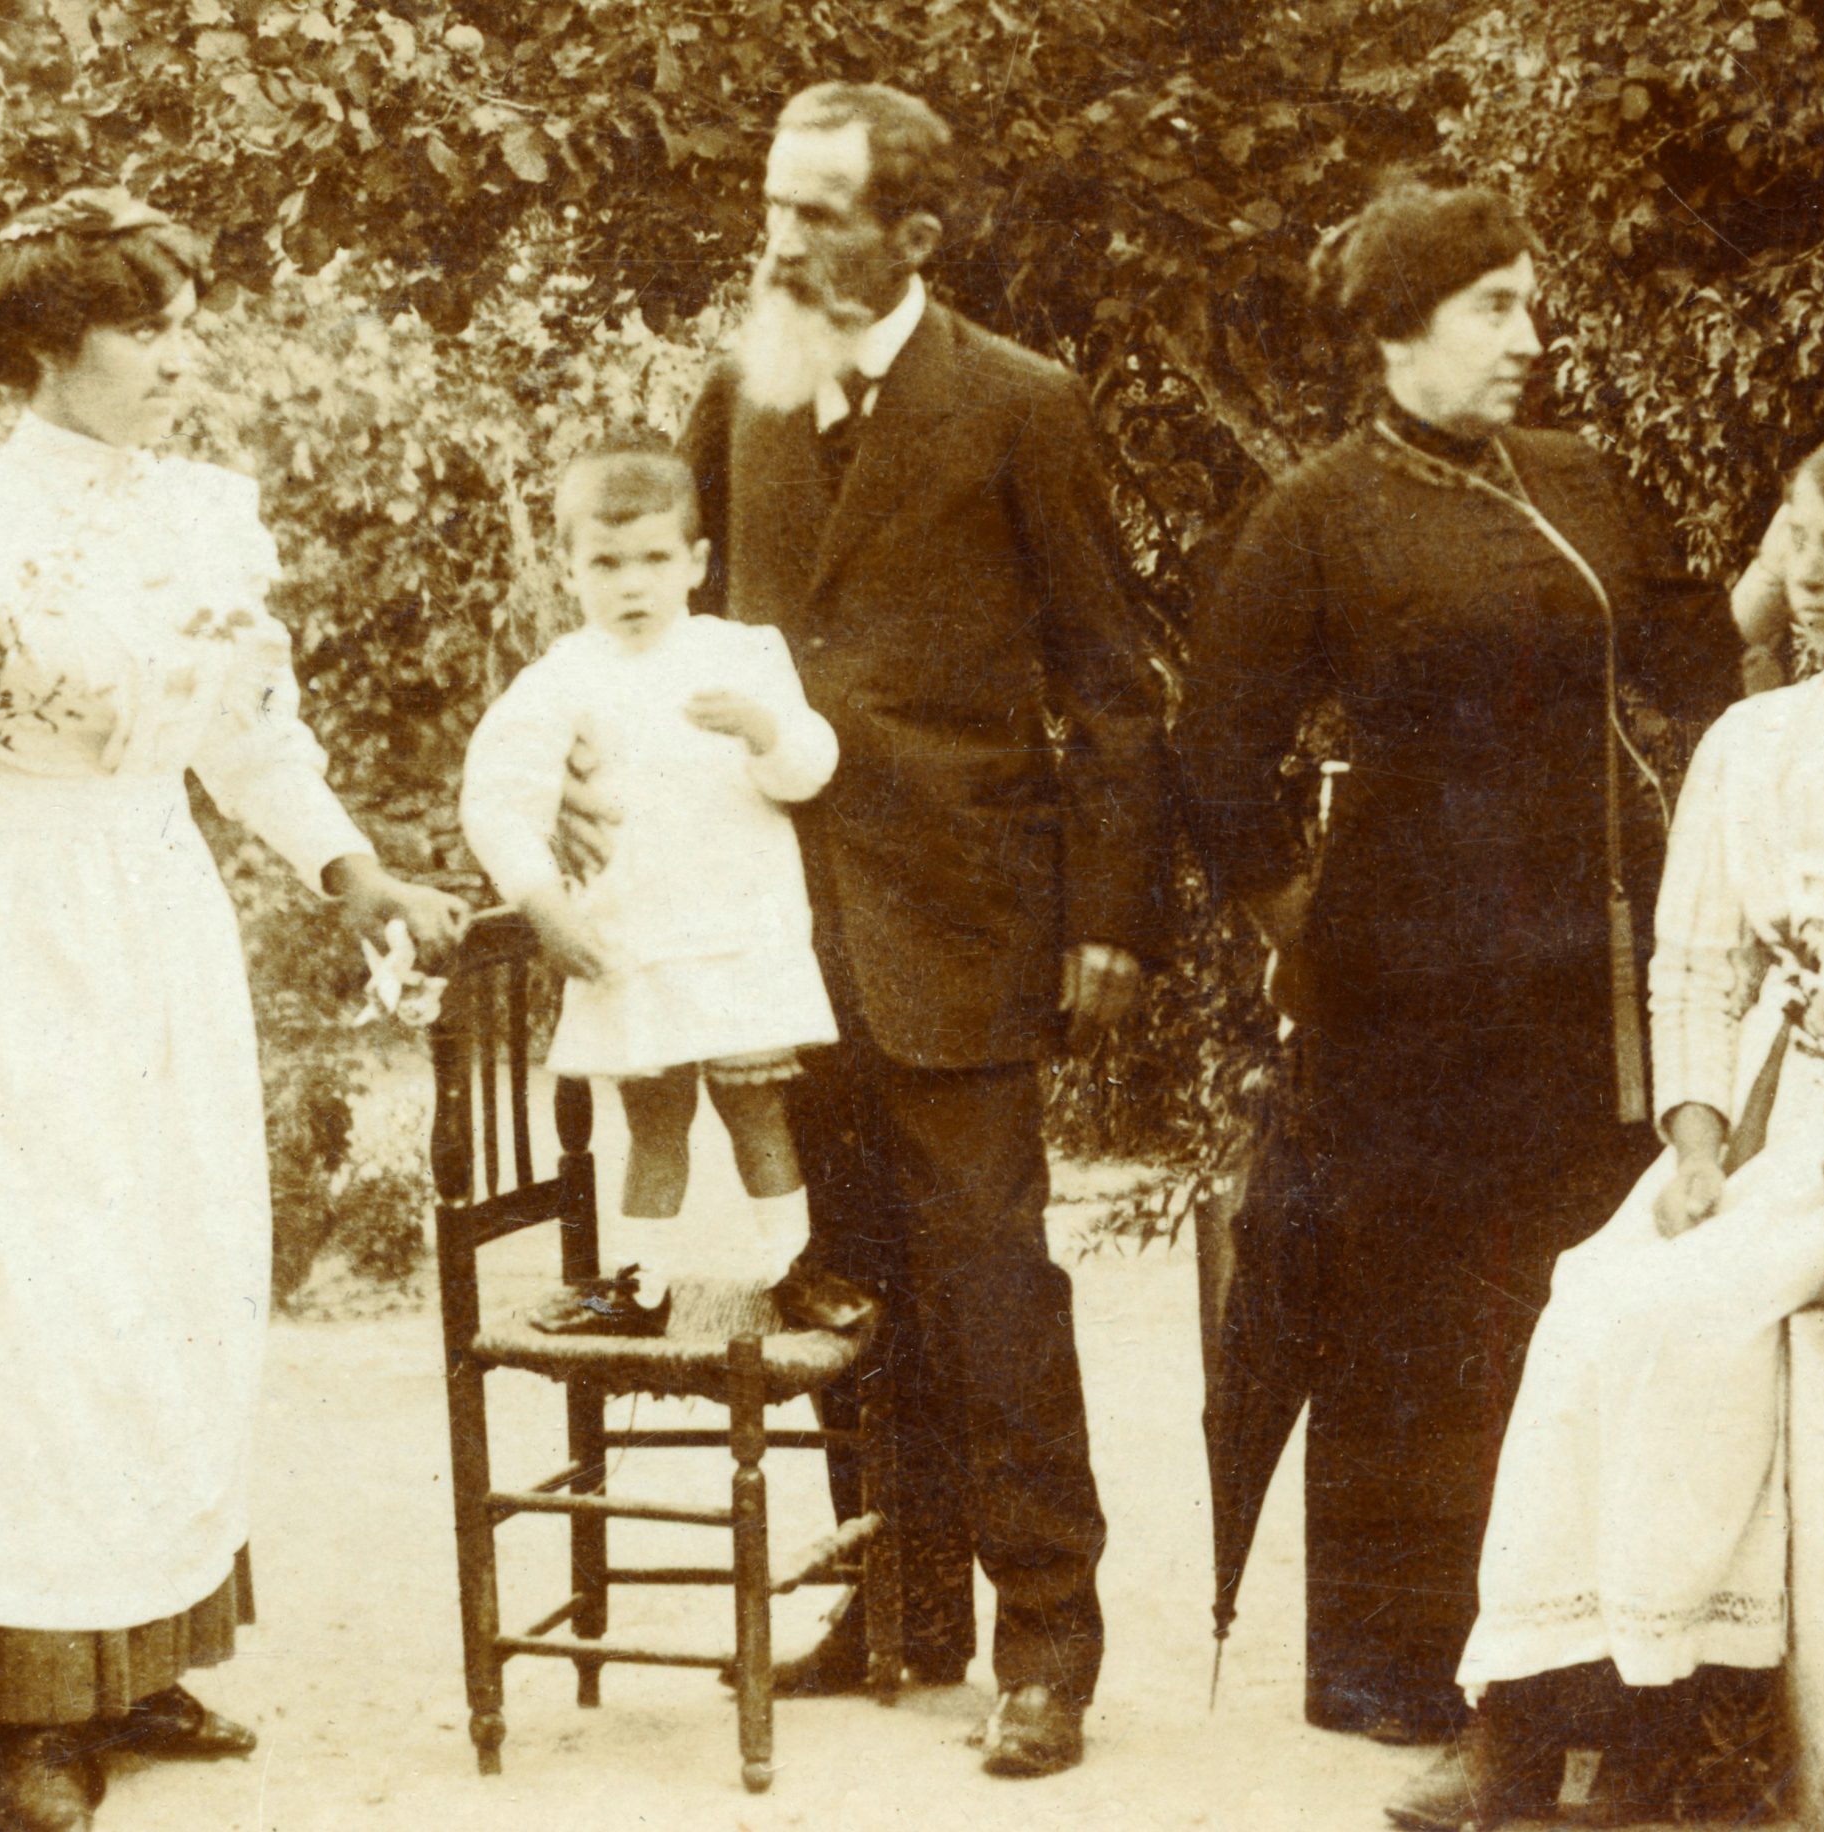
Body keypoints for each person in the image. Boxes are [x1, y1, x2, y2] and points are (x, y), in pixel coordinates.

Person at [0, 190, 464, 1832]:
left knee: (171, 1264)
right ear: (43, 348)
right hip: (7, 926)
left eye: (189, 318)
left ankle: (136, 1649)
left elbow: (252, 744)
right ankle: (9, 1706)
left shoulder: (210, 518)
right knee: (26, 1279)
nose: (186, 352)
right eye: (149, 327)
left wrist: (351, 872)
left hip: (157, 908)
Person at [1387, 423, 1824, 1829]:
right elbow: (1694, 962)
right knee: (1589, 1296)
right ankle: (1520, 1728)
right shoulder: (1750, 740)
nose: (1807, 574)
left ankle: (1664, 1730)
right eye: (1793, 538)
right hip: (1756, 1113)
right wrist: (1697, 1139)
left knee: (1684, 1324)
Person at [637, 80, 1171, 1778]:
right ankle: (899, 1601)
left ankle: (1048, 1641)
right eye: (773, 206)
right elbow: (679, 651)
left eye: (819, 214)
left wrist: (1113, 920)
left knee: (992, 1280)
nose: (778, 240)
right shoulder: (738, 400)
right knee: (841, 1266)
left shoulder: (1022, 405)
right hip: (772, 925)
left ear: (916, 236)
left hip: (966, 908)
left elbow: (1114, 685)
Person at [1176, 181, 1744, 1748]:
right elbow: (1217, 753)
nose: (1529, 338)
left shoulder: (1582, 481)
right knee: (1407, 1322)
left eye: (1531, 304)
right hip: (1402, 992)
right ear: (1396, 328)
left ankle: (1574, 1667)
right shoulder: (1316, 516)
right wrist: (1305, 929)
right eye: (1496, 306)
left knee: (1570, 1305)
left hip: (1583, 969)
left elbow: (1706, 658)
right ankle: (1397, 1671)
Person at [460, 444, 839, 1330]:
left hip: (742, 938)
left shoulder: (744, 655)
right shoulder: (561, 678)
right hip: (632, 943)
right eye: (605, 563)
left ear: (697, 564)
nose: (632, 586)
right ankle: (643, 1283)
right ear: (568, 570)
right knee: (654, 1125)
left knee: (757, 1113)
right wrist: (543, 905)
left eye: (655, 560)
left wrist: (764, 730)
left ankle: (792, 1270)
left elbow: (810, 770)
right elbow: (496, 793)